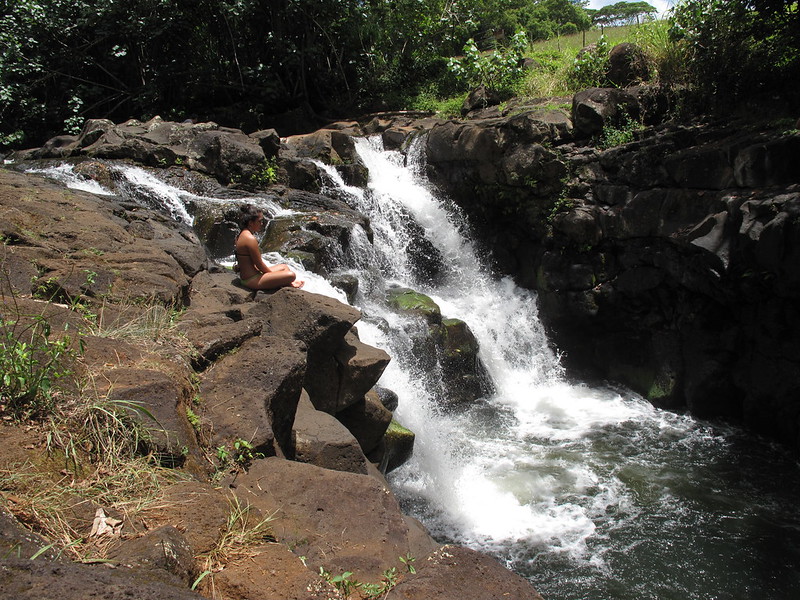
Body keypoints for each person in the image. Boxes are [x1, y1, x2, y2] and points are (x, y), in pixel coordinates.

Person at [234, 204, 304, 290]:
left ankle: (287, 283)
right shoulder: (250, 239)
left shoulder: (242, 234)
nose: (262, 224)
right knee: (291, 275)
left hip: (250, 276)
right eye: (259, 221)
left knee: (284, 267)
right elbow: (259, 265)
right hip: (251, 280)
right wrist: (272, 275)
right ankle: (289, 284)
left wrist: (276, 275)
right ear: (251, 223)